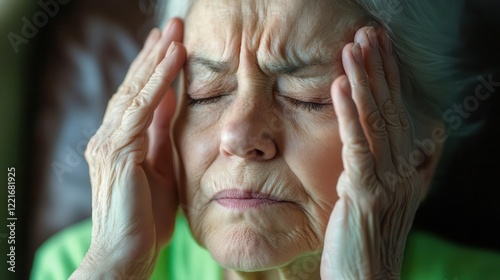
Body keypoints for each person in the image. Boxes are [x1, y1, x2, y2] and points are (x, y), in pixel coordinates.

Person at [30, 0, 500, 279]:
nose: (238, 134)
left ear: (417, 158)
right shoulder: (76, 264)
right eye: (206, 93)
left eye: (309, 98)